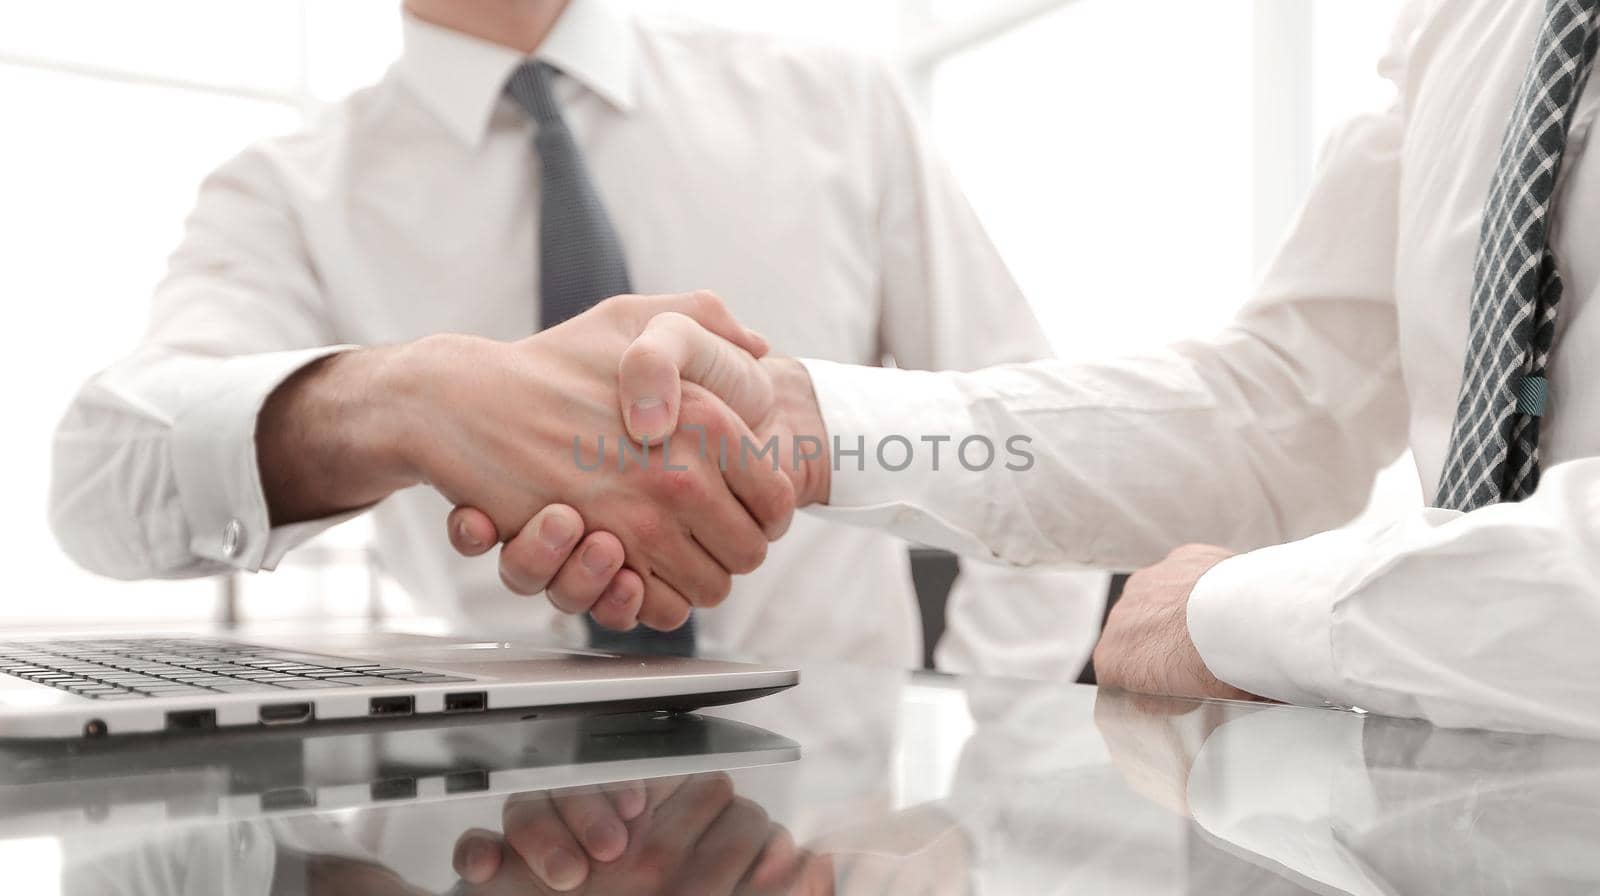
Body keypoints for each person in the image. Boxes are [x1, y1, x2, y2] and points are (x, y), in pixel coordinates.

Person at [511, 0, 1600, 737]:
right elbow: (1288, 402)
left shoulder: (821, 99)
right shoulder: (1463, 21)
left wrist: (1229, 612)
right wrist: (813, 423)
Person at [49, 0, 1106, 674]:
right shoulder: (285, 193)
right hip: (482, 828)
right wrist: (410, 398)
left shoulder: (837, 103)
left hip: (847, 819)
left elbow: (1025, 442)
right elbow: (100, 486)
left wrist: (987, 758)